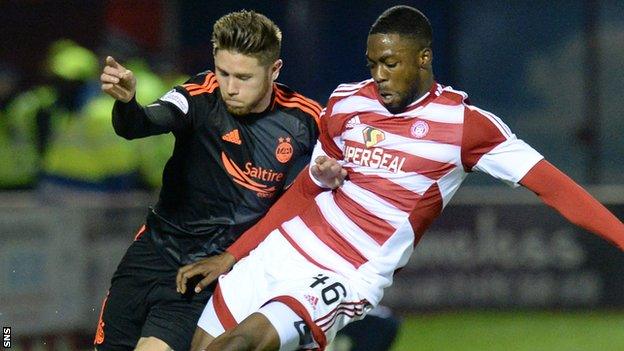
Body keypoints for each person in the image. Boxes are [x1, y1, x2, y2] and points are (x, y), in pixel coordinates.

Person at [176, 5, 624, 351]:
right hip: (283, 249)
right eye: (373, 63)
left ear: (423, 58)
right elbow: (308, 190)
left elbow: (556, 189)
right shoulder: (347, 102)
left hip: (345, 273)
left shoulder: (467, 127)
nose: (379, 75)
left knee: (237, 346)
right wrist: (231, 256)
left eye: (390, 63)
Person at [94, 10, 344, 351]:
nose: (230, 87)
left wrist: (329, 173)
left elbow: (340, 167)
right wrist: (127, 104)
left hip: (207, 273)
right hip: (150, 253)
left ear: (275, 70)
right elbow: (143, 123)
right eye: (223, 72)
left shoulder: (305, 118)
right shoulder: (198, 94)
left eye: (243, 77)